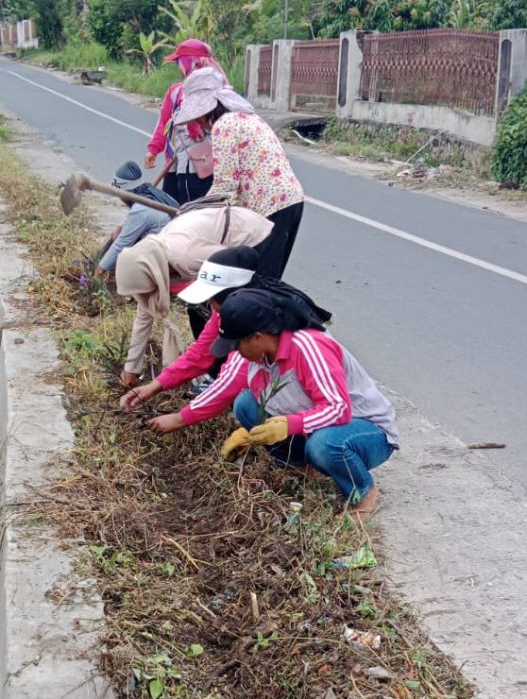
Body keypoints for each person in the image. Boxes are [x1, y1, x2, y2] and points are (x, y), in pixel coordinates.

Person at [148, 284, 398, 517]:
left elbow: (338, 409)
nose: (233, 352)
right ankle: (304, 467)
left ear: (257, 337)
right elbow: (224, 388)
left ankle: (362, 494)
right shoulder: (255, 355)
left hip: (365, 429)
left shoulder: (309, 347)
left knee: (323, 445)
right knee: (246, 405)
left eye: (236, 345)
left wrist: (288, 425)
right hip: (318, 422)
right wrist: (184, 418)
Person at [119, 245, 330, 413]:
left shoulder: (262, 322)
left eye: (213, 299)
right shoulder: (235, 309)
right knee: (246, 402)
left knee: (244, 403)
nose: (210, 306)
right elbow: (201, 353)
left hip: (321, 404)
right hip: (294, 395)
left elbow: (232, 378)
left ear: (233, 293)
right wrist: (155, 386)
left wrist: (179, 418)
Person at [115, 205, 273, 388]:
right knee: (201, 314)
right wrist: (131, 367)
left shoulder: (184, 255)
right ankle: (221, 377)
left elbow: (232, 266)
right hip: (228, 256)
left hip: (251, 240)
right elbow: (144, 314)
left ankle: (241, 381)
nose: (145, 295)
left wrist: (224, 312)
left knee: (240, 319)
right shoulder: (154, 261)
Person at [175, 67, 305, 278]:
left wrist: (195, 213)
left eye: (198, 116)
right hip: (290, 200)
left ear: (209, 108)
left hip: (269, 207)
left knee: (260, 282)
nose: (198, 122)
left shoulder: (223, 126)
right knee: (269, 277)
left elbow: (225, 186)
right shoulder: (247, 118)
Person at [144, 39, 225, 207]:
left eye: (178, 62)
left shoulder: (217, 91)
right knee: (169, 209)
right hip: (176, 165)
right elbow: (164, 122)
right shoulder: (176, 91)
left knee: (193, 212)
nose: (178, 67)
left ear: (189, 62)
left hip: (201, 167)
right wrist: (153, 149)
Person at [97, 161, 174, 275]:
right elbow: (132, 218)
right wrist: (121, 226)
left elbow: (123, 242)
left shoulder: (141, 209)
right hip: (170, 241)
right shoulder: (150, 192)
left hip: (168, 255)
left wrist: (101, 268)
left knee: (127, 253)